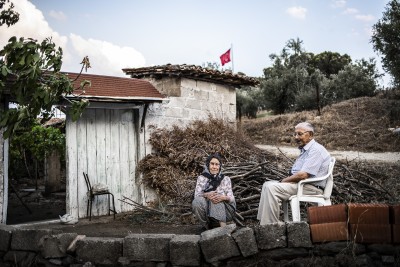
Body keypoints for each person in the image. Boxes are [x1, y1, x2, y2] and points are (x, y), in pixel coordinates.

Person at [257, 122, 331, 225]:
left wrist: (284, 181)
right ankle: (263, 222)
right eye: (295, 134)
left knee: (272, 188)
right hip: (302, 184)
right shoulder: (306, 150)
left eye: (300, 134)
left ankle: (270, 225)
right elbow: (299, 174)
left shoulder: (316, 150)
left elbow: (303, 175)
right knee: (267, 185)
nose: (296, 137)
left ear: (310, 135)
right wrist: (289, 181)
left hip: (311, 187)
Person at [192, 153, 236, 229]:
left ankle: (223, 229)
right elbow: (197, 195)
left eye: (217, 164)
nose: (214, 167)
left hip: (226, 212)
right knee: (196, 202)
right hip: (207, 212)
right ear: (208, 165)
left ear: (220, 166)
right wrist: (207, 195)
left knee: (216, 198)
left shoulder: (225, 179)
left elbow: (232, 198)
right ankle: (207, 227)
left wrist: (223, 197)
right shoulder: (201, 178)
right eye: (212, 164)